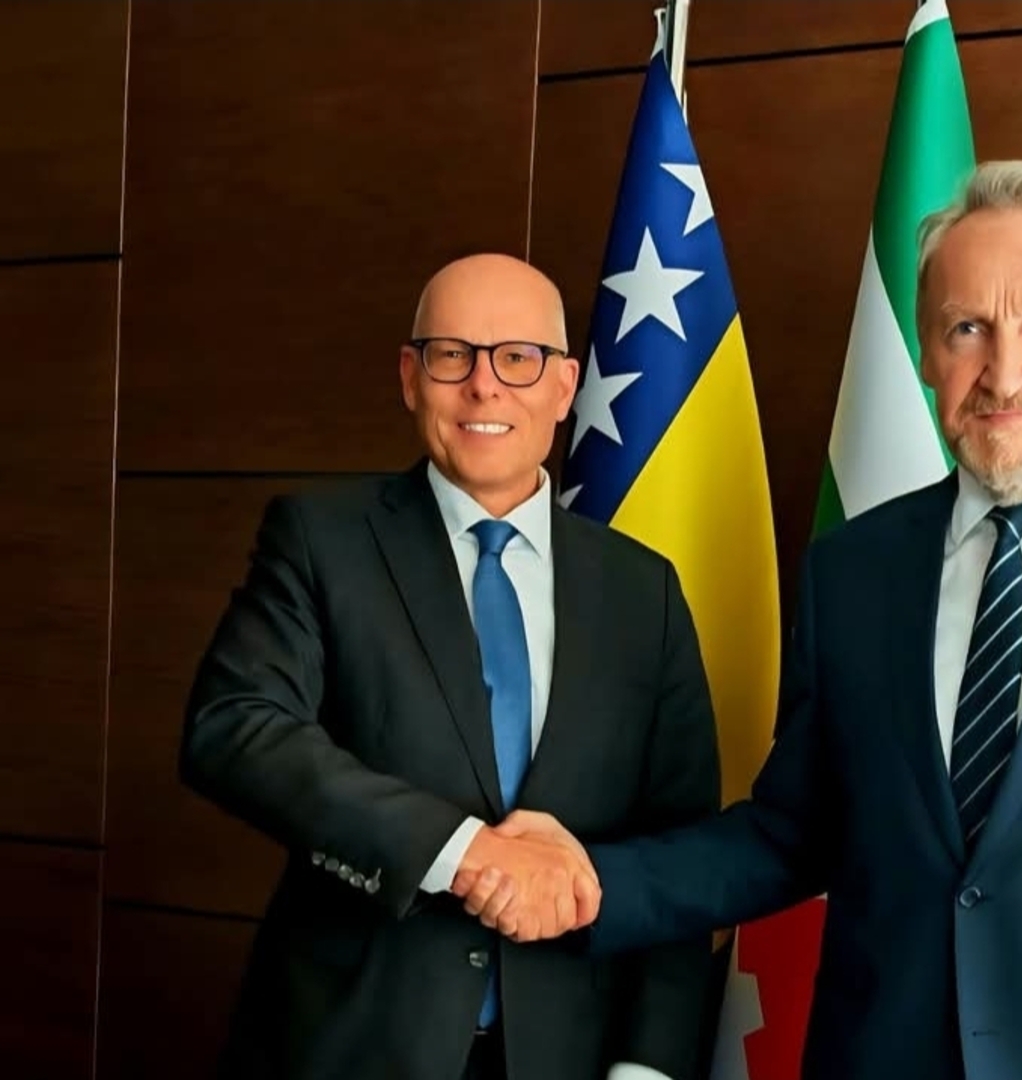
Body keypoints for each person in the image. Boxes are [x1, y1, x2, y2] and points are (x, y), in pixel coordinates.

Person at [462, 160, 1022, 1080]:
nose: (1003, 371)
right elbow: (791, 835)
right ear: (924, 351)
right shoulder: (854, 573)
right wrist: (590, 879)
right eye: (967, 328)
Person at [180, 253, 717, 1080]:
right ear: (410, 377)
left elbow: (682, 845)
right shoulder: (321, 540)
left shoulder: (644, 591)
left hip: (570, 1051)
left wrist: (648, 1065)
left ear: (565, 387)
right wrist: (463, 852)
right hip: (351, 1046)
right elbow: (235, 728)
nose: (483, 386)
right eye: (451, 355)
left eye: (517, 357)